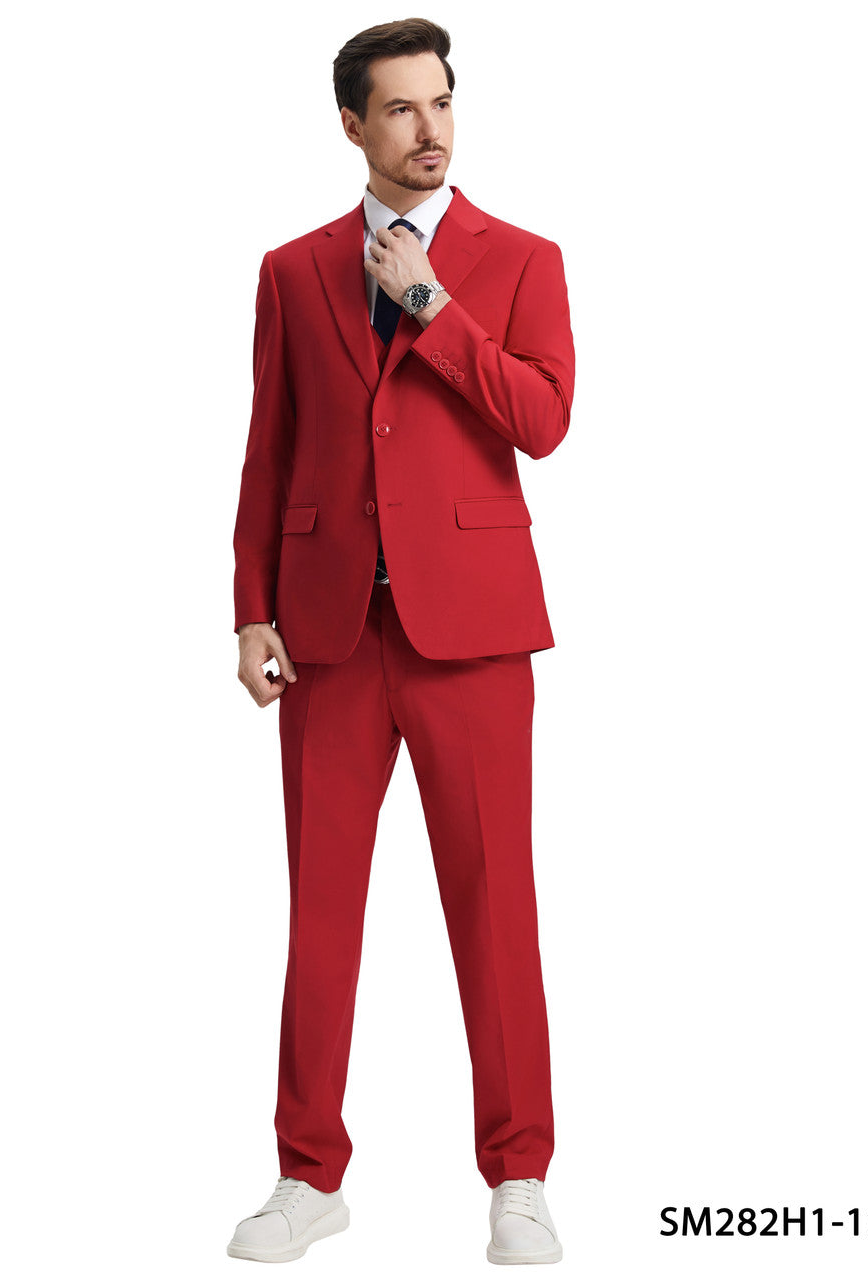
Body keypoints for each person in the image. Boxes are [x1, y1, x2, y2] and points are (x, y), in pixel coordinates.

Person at [227, 17, 574, 1266]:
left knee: (494, 906)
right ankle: (306, 1173)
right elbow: (269, 451)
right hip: (328, 635)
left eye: (442, 103)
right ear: (352, 125)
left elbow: (543, 419)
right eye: (402, 109)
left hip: (471, 634)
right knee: (320, 911)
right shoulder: (290, 271)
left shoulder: (520, 260)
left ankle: (518, 1173)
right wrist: (250, 608)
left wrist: (429, 303)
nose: (431, 130)